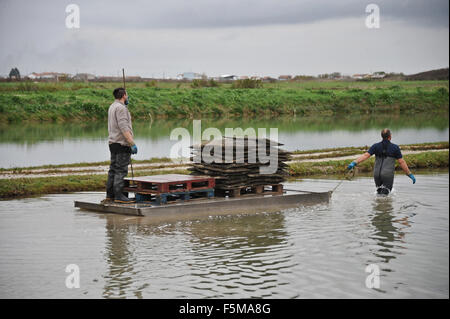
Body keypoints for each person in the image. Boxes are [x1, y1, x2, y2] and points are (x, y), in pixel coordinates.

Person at [347, 129, 416, 195]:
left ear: (382, 136)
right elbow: (401, 162)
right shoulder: (395, 148)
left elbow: (365, 155)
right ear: (390, 136)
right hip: (387, 175)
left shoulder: (375, 146)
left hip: (376, 174)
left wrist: (354, 162)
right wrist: (409, 174)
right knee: (385, 196)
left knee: (379, 193)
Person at [104, 88, 138, 203]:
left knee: (113, 169)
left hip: (112, 143)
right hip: (121, 143)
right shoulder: (121, 108)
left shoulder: (112, 106)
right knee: (121, 170)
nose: (128, 97)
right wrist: (132, 143)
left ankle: (110, 195)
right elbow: (124, 127)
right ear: (123, 95)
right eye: (127, 95)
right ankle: (120, 196)